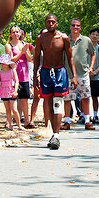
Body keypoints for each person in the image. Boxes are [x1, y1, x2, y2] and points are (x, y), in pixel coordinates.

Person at [33, 13, 73, 149]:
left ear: (57, 23)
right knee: (48, 103)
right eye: (48, 22)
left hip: (60, 71)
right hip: (45, 71)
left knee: (58, 102)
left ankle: (56, 135)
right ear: (45, 23)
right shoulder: (40, 39)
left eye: (53, 22)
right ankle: (52, 133)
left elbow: (70, 57)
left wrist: (74, 76)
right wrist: (34, 75)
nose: (51, 24)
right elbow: (37, 57)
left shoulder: (64, 38)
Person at [68, 19, 96, 130]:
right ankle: (66, 121)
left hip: (83, 73)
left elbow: (93, 54)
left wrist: (91, 67)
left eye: (77, 25)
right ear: (70, 26)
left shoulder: (86, 40)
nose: (75, 27)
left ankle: (87, 120)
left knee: (85, 98)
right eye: (73, 25)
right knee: (67, 98)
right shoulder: (65, 39)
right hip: (69, 74)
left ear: (80, 27)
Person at [88, 28, 99, 123]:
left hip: (96, 76)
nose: (94, 36)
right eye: (93, 34)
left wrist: (96, 71)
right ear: (89, 35)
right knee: (84, 97)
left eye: (97, 35)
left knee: (95, 97)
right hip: (85, 75)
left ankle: (95, 115)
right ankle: (84, 115)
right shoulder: (86, 47)